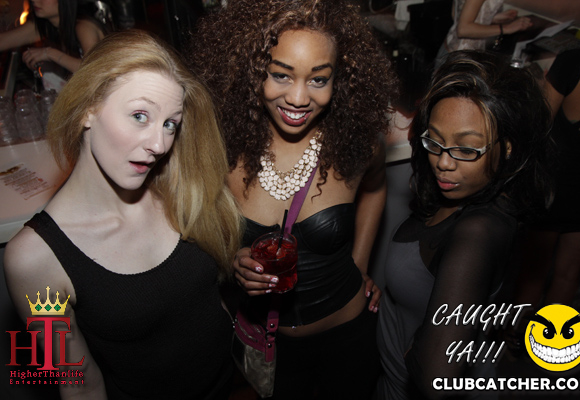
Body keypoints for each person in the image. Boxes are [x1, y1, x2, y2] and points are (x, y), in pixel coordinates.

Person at [4, 29, 242, 400]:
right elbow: (78, 385)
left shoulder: (179, 189)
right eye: (139, 115)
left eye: (170, 124)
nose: (159, 144)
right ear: (88, 108)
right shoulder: (34, 260)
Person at [189, 0, 398, 398]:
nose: (299, 98)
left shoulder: (354, 145)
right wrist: (231, 262)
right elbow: (198, 227)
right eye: (281, 75)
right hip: (273, 349)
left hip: (349, 338)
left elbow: (375, 187)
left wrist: (359, 264)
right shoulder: (222, 149)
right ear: (252, 70)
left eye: (318, 79)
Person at [376, 50, 554, 399]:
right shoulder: (460, 190)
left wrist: (419, 347)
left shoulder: (477, 231)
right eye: (435, 140)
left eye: (467, 149)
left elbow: (437, 378)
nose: (443, 162)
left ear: (507, 148)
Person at [513, 2, 580, 311]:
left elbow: (538, 124)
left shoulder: (574, 61)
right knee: (567, 274)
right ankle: (550, 341)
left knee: (532, 273)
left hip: (553, 187)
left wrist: (539, 85)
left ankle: (512, 335)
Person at [0, 0, 110, 73]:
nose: (34, 0)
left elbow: (94, 70)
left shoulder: (84, 26)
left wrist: (49, 53)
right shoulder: (46, 24)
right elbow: (3, 41)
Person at [435, 0, 532, 67]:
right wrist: (507, 28)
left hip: (451, 51)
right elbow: (463, 30)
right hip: (462, 57)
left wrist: (490, 18)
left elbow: (455, 14)